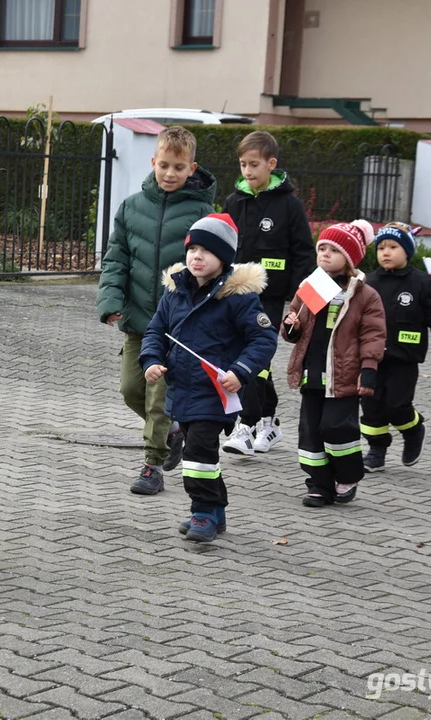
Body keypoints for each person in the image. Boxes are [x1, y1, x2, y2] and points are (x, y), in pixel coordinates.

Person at [141, 215, 277, 542]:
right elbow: (156, 331)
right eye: (193, 249)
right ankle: (217, 511)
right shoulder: (176, 290)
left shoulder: (238, 296)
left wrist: (240, 371)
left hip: (216, 391)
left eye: (207, 251)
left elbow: (263, 339)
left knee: (198, 454)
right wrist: (151, 360)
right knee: (200, 453)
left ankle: (201, 513)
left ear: (224, 259)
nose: (196, 256)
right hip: (181, 389)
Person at [97, 126, 218, 495]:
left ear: (192, 168)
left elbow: (214, 265)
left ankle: (152, 465)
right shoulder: (132, 208)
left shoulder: (202, 212)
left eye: (178, 167)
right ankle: (175, 429)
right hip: (139, 320)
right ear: (153, 162)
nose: (169, 173)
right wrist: (111, 303)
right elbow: (116, 259)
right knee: (131, 390)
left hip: (179, 325)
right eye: (164, 165)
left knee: (158, 400)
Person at [223, 130, 315, 457]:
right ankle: (269, 420)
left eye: (254, 164)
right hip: (236, 294)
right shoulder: (234, 202)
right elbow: (223, 246)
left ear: (271, 164)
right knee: (252, 360)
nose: (248, 171)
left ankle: (245, 428)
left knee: (255, 357)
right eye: (243, 164)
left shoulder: (289, 205)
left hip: (271, 297)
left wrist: (299, 300)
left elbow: (304, 253)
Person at [282, 221, 385, 507]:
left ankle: (348, 475)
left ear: (350, 258)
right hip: (312, 374)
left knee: (337, 428)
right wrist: (290, 326)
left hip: (344, 377)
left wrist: (368, 370)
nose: (325, 254)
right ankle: (318, 484)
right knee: (310, 432)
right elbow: (296, 327)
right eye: (322, 248)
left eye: (333, 250)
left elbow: (373, 336)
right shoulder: (311, 286)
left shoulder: (365, 295)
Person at [360, 223, 431, 471]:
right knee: (371, 407)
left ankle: (413, 430)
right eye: (381, 248)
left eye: (393, 247)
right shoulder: (368, 282)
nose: (386, 252)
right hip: (371, 359)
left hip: (404, 358)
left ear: (408, 251)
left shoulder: (422, 283)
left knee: (396, 405)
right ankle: (376, 449)